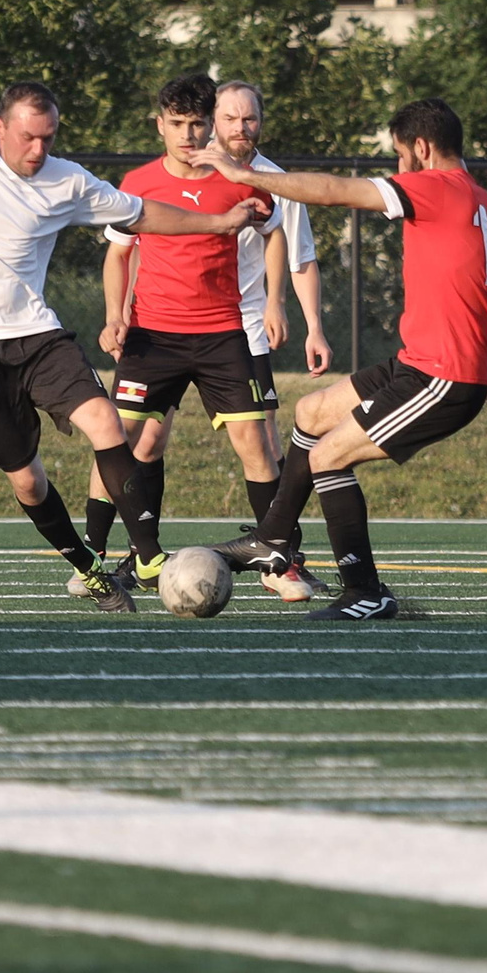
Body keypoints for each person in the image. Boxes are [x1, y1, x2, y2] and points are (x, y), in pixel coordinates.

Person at [0, 83, 257, 613]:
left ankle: (149, 554)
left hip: (35, 335)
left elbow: (143, 215)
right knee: (29, 481)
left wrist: (219, 223)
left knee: (108, 423)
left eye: (48, 138)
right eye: (27, 137)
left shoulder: (68, 181)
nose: (37, 150)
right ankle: (87, 569)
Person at [200, 97, 487, 622]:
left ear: (421, 150)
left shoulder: (435, 186)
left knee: (328, 457)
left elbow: (334, 192)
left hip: (442, 379)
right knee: (312, 413)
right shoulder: (483, 204)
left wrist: (246, 174)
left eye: (400, 156)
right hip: (417, 365)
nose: (398, 169)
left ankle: (365, 591)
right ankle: (272, 539)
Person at [83, 79, 333, 602]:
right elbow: (118, 253)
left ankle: (278, 558)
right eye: (178, 124)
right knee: (121, 438)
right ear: (160, 125)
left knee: (258, 444)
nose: (189, 134)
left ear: (210, 124)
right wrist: (115, 314)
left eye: (198, 123)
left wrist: (273, 301)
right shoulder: (138, 181)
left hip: (222, 333)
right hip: (153, 335)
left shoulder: (242, 178)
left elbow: (276, 235)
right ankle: (99, 559)